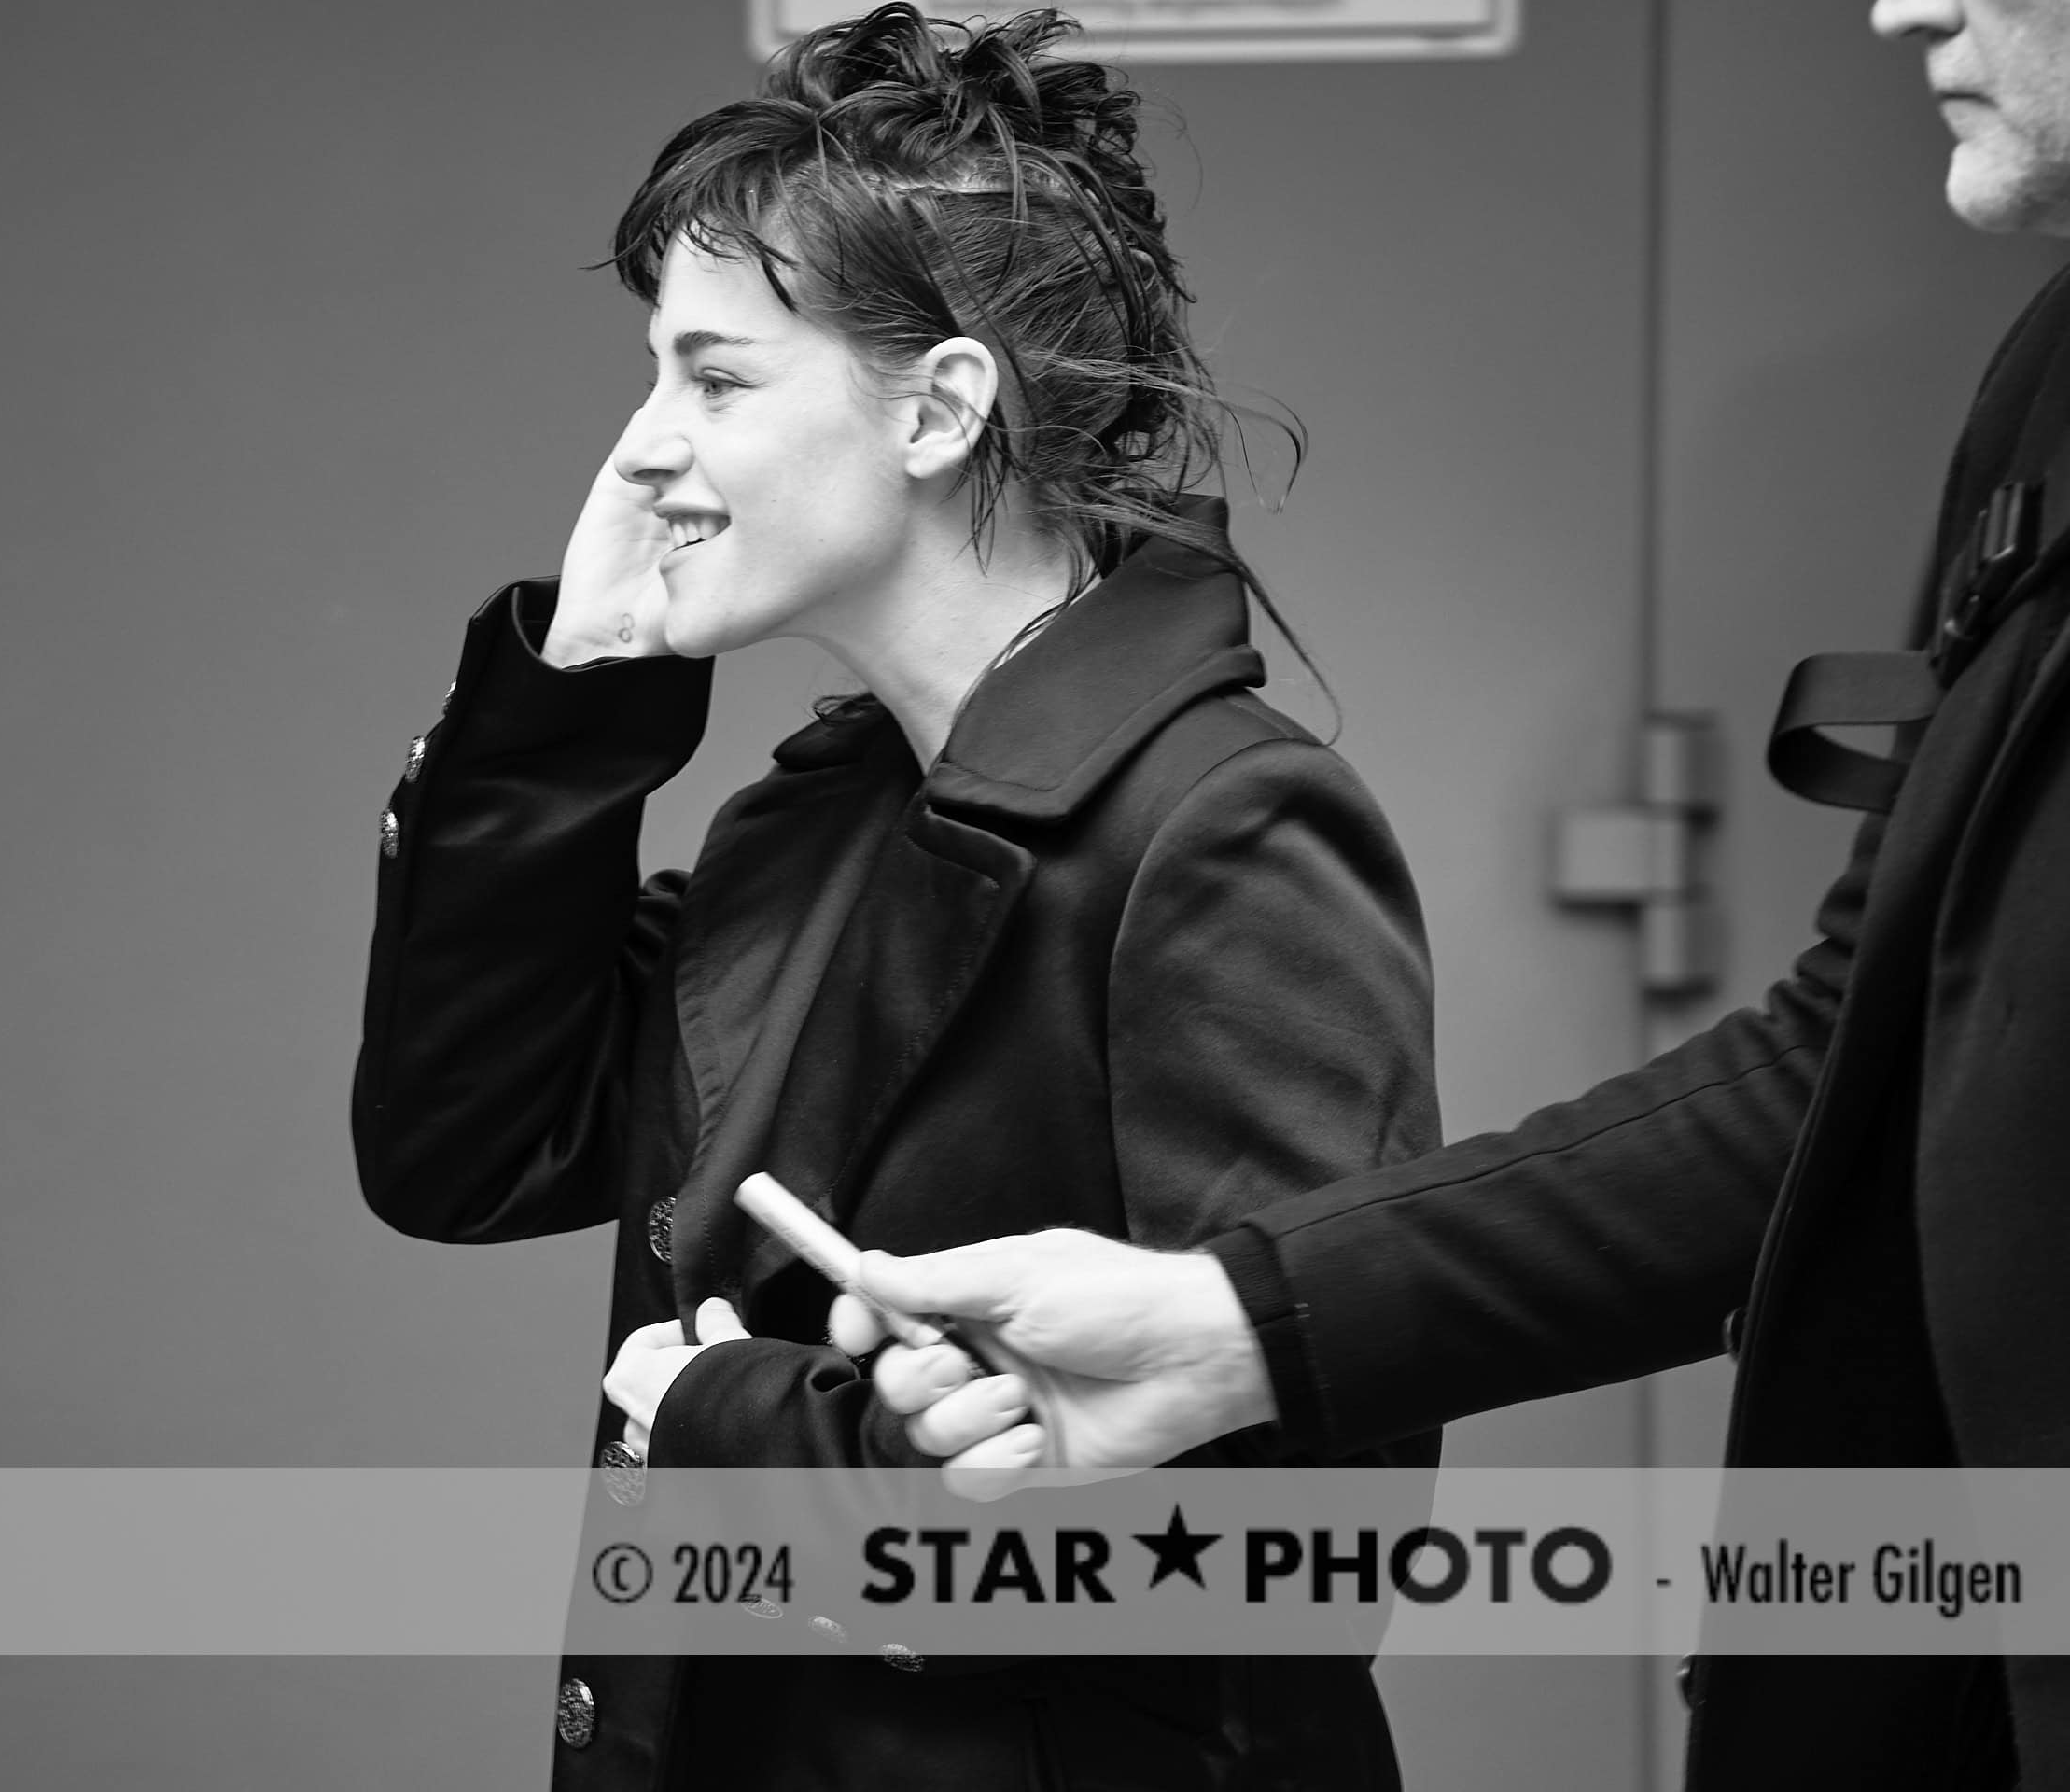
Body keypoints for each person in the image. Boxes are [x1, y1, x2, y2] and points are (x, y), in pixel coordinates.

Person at [848, 1, 2070, 1785]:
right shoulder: (2050, 380)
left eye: (718, 374)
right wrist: (1224, 1328)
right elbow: (1843, 1072)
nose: (1903, 5)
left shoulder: (1225, 823)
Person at [351, 7, 1444, 1785]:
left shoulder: (1226, 831)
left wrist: (743, 1430)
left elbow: (1297, 1555)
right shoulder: (819, 824)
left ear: (940, 408)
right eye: (650, 375)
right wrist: (577, 693)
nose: (635, 449)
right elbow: (465, 1151)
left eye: (714, 381)